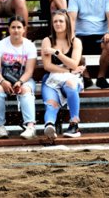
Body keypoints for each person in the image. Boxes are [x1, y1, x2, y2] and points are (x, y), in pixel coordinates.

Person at [68, 0, 109, 90]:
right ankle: (85, 77)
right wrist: (71, 36)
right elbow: (71, 18)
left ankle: (101, 78)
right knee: (70, 43)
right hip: (80, 34)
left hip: (101, 35)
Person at [0, 16, 38, 140]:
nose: (16, 30)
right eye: (13, 27)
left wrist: (20, 82)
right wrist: (2, 81)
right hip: (3, 79)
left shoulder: (29, 46)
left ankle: (30, 126)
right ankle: (0, 126)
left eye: (19, 27)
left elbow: (29, 71)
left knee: (26, 90)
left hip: (24, 79)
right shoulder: (0, 46)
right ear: (9, 29)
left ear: (24, 29)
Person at [41, 10, 84, 142]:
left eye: (61, 21)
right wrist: (68, 69)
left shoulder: (75, 41)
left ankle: (74, 125)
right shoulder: (47, 40)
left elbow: (74, 63)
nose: (58, 24)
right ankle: (49, 126)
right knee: (51, 103)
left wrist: (56, 53)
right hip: (51, 79)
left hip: (71, 79)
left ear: (67, 23)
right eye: (55, 21)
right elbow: (47, 66)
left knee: (71, 84)